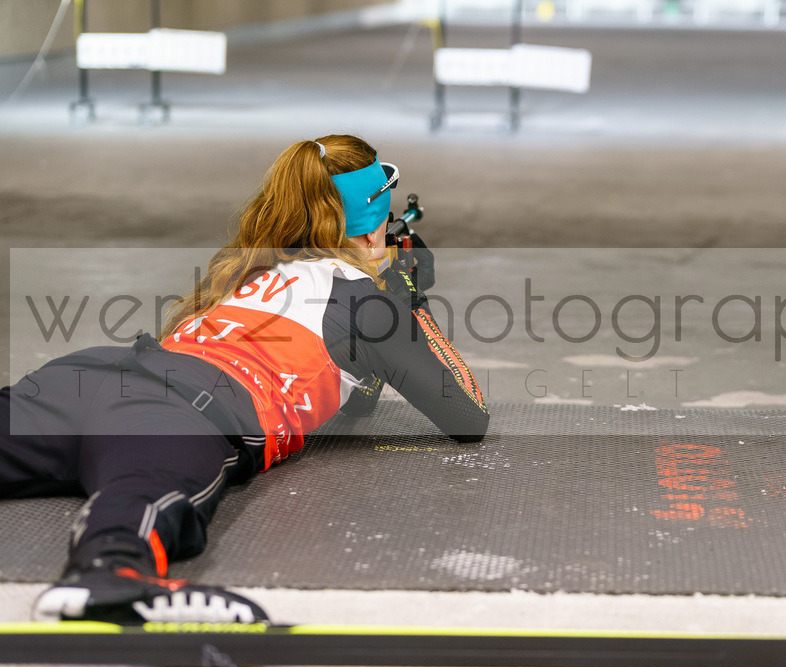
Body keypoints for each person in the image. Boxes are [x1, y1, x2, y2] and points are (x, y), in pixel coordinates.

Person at [0, 134, 489, 625]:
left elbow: (356, 402)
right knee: (140, 498)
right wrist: (411, 300)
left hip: (86, 378)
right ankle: (110, 574)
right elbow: (467, 416)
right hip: (181, 413)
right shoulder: (371, 304)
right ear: (367, 232)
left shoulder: (252, 267)